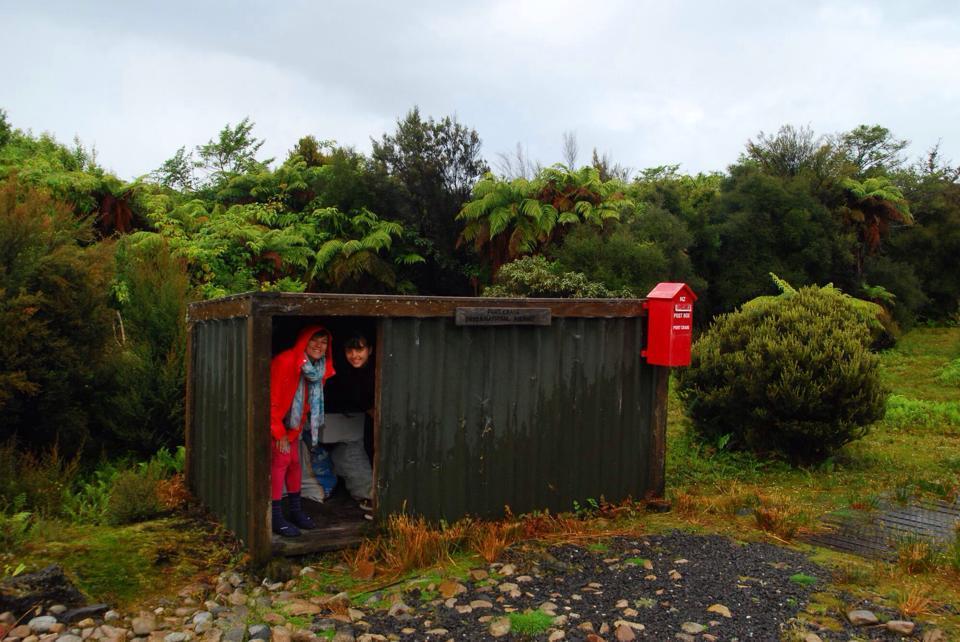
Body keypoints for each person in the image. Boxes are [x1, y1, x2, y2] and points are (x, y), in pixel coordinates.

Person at [269, 324, 335, 537]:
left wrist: (293, 433)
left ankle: (296, 511)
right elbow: (272, 400)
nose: (319, 345)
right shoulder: (286, 361)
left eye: (324, 342)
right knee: (282, 461)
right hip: (274, 421)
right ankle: (276, 517)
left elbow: (306, 405)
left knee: (295, 463)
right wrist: (279, 434)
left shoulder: (319, 369)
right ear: (303, 341)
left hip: (293, 424)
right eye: (314, 340)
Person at [325, 330, 375, 514]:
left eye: (359, 350)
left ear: (370, 350)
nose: (354, 355)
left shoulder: (377, 369)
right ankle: (367, 494)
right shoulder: (342, 372)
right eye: (350, 351)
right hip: (352, 420)